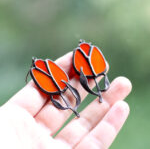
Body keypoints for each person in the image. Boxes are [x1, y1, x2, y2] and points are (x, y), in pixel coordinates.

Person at [0, 52, 132, 149]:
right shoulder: (39, 70)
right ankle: (78, 106)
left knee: (71, 92)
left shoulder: (42, 68)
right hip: (57, 83)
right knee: (67, 95)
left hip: (62, 80)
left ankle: (82, 104)